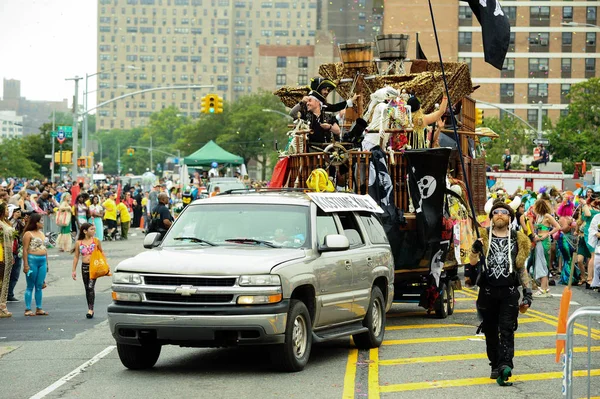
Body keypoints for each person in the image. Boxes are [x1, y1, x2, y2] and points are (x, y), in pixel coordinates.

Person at [470, 201, 532, 386]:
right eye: (495, 212)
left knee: (507, 329)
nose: (499, 214)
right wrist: (474, 249)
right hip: (487, 293)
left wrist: (528, 292)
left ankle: (506, 365)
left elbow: (521, 269)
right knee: (490, 331)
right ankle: (495, 364)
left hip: (509, 293)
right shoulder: (483, 238)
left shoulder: (518, 240)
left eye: (503, 212)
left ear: (510, 217)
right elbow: (472, 263)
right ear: (491, 217)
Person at [71, 223, 104, 318]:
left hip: (94, 267)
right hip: (84, 267)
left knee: (90, 287)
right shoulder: (79, 243)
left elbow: (101, 252)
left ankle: (90, 310)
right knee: (87, 288)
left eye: (94, 229)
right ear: (85, 231)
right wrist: (73, 270)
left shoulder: (96, 241)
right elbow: (76, 257)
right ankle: (90, 307)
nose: (94, 231)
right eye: (92, 229)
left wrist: (104, 265)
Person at [531, 198, 561, 297]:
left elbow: (557, 226)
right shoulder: (539, 216)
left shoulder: (547, 216)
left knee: (542, 263)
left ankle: (543, 288)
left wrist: (547, 234)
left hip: (544, 241)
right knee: (541, 262)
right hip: (539, 240)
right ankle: (546, 288)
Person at [22, 213, 49, 317]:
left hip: (42, 260)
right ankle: (28, 308)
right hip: (32, 259)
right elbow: (25, 250)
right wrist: (26, 265)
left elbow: (45, 249)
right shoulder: (28, 234)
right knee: (30, 285)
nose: (42, 223)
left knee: (39, 285)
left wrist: (47, 263)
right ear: (36, 223)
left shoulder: (41, 234)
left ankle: (39, 308)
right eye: (41, 221)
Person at [0, 202, 16, 317]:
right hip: (1, 255)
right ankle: (1, 307)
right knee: (1, 282)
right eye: (6, 209)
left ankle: (2, 304)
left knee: (5, 280)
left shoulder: (6, 222)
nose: (8, 211)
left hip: (8, 254)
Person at [7, 205, 25, 302]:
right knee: (7, 274)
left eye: (19, 211)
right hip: (9, 250)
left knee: (15, 274)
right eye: (17, 211)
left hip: (18, 250)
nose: (19, 213)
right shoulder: (7, 223)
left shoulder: (20, 223)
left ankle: (10, 293)